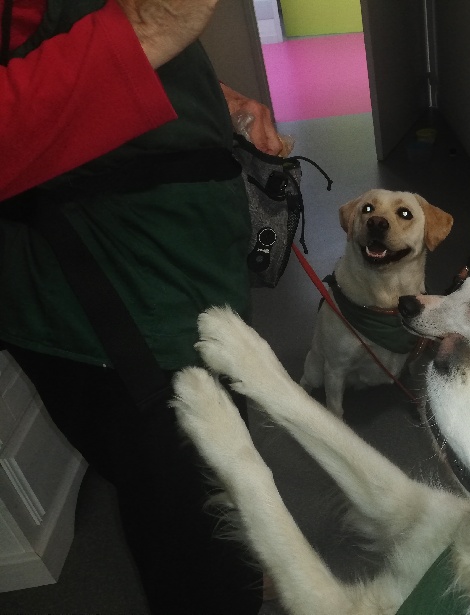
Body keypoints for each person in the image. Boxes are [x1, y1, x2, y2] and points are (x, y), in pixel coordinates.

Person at [0, 0, 286, 611]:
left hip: (179, 255)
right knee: (195, 538)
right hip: (108, 286)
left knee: (218, 475)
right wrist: (147, 32)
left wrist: (207, 92)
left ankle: (233, 559)